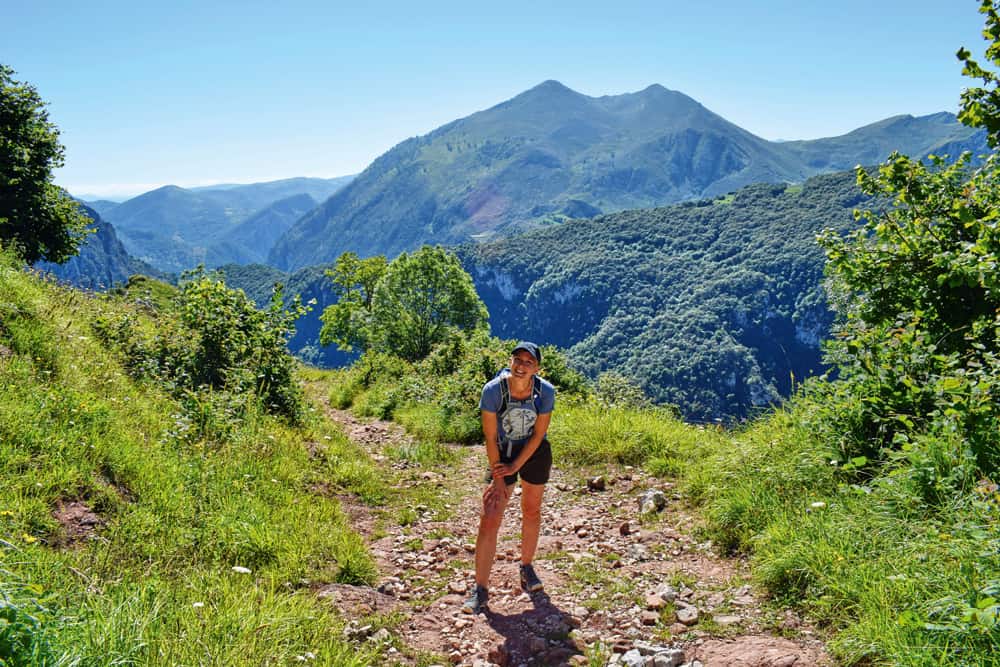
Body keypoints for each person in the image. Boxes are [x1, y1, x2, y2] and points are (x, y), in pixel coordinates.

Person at [463, 341, 556, 614]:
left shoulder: (545, 392)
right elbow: (490, 436)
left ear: (537, 368)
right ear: (511, 361)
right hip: (501, 452)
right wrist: (498, 475)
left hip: (534, 452)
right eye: (518, 360)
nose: (522, 366)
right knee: (490, 514)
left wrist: (516, 465)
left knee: (531, 509)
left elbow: (538, 434)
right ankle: (480, 588)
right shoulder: (493, 391)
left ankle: (526, 567)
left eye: (529, 362)